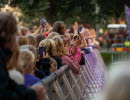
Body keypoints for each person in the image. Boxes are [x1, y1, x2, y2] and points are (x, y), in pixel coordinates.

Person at [0, 12, 45, 100]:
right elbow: (4, 94)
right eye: (15, 35)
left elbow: (8, 84)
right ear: (7, 36)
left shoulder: (3, 57)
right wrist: (32, 93)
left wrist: (28, 90)